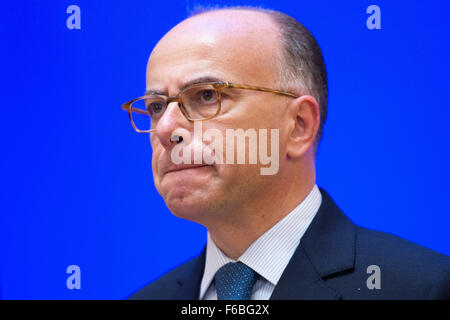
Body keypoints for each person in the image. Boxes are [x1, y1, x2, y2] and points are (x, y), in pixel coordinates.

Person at [124, 7, 450, 299]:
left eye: (207, 96)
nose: (166, 129)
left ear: (298, 125)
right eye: (155, 107)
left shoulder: (421, 288)